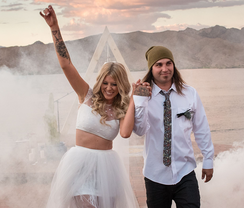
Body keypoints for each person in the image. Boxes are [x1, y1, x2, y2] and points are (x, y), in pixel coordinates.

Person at [40, 5, 143, 208]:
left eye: (114, 84)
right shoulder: (85, 95)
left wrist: (133, 99)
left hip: (107, 170)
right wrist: (55, 28)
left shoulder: (122, 108)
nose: (109, 88)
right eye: (105, 83)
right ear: (99, 82)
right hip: (79, 166)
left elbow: (125, 133)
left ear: (120, 85)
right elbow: (66, 65)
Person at [133, 46, 214, 208]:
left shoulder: (190, 93)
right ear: (151, 68)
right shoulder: (144, 95)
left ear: (173, 66)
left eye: (168, 63)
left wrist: (208, 159)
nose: (165, 69)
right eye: (159, 64)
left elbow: (201, 128)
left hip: (185, 172)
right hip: (155, 175)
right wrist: (140, 101)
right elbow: (139, 131)